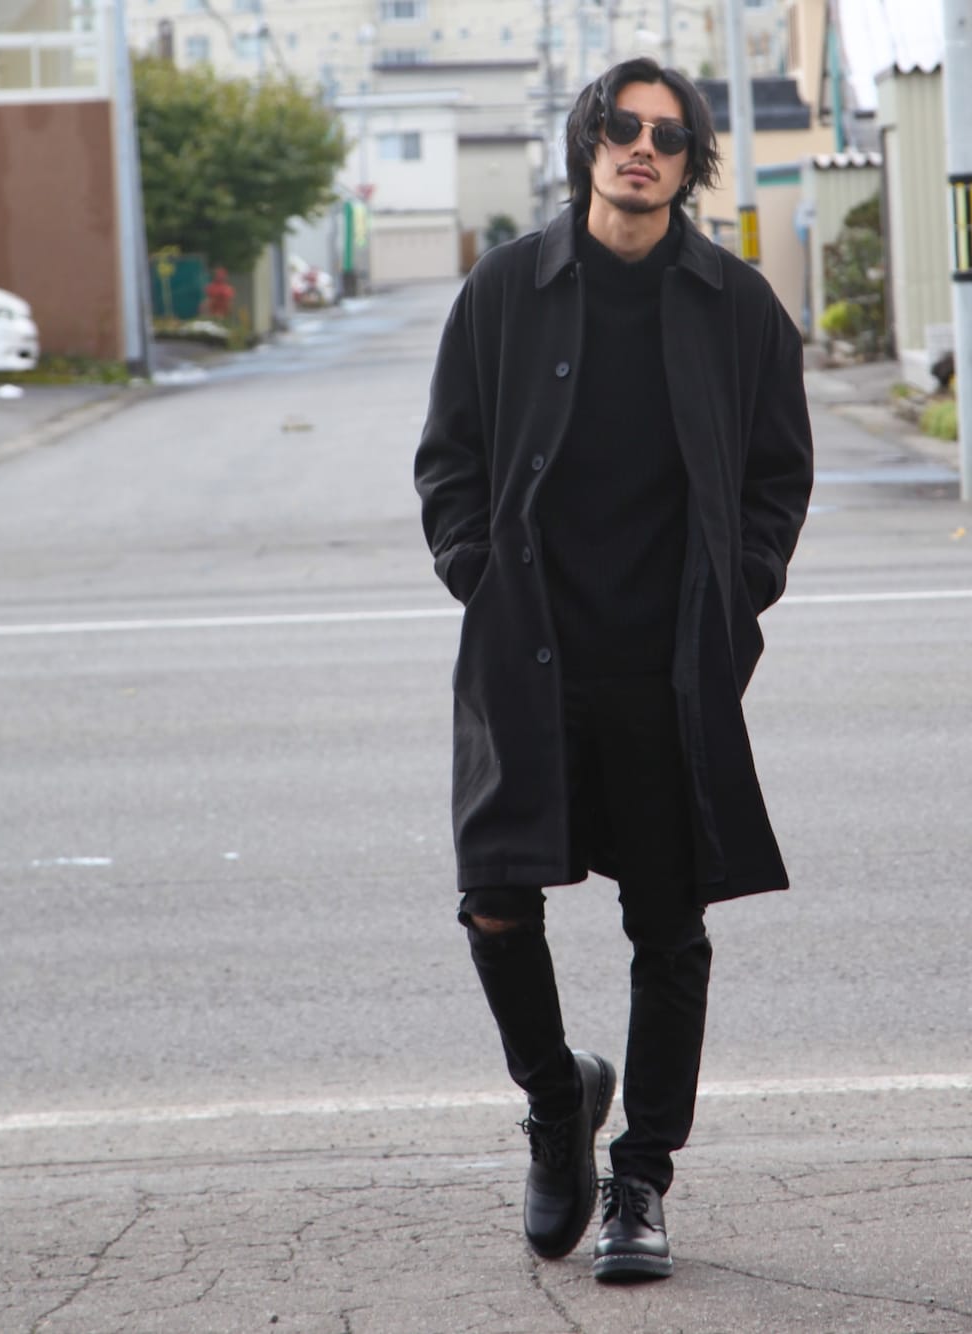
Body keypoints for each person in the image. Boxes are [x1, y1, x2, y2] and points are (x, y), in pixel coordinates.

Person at [414, 56, 813, 1283]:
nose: (642, 148)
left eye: (667, 135)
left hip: (665, 669)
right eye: (622, 127)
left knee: (669, 928)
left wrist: (736, 594)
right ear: (588, 141)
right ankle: (555, 1102)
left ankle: (640, 1177)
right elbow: (448, 458)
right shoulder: (505, 288)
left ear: (690, 164)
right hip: (527, 655)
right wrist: (479, 572)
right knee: (494, 897)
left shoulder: (738, 306)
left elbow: (777, 478)